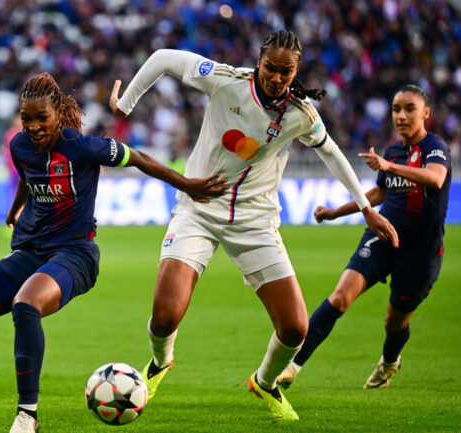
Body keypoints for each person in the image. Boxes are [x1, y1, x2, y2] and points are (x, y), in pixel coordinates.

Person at [109, 29, 399, 421]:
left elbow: (332, 154)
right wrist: (126, 105)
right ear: (258, 61)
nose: (276, 78)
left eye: (286, 71)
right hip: (198, 209)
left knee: (295, 329)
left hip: (255, 222)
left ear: (296, 71)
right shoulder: (224, 80)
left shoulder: (300, 114)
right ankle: (161, 363)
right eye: (270, 68)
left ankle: (264, 382)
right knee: (165, 316)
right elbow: (162, 57)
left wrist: (365, 207)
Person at [0, 72, 226, 433]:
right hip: (31, 252)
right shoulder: (19, 146)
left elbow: (139, 158)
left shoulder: (84, 147)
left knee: (27, 305)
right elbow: (28, 173)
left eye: (42, 118)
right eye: (27, 119)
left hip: (75, 255)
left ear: (58, 114)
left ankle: (27, 416)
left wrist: (187, 184)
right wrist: (15, 208)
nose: (34, 127)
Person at [277, 85, 451, 389]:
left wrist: (388, 166)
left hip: (420, 254)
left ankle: (388, 362)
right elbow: (378, 193)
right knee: (341, 297)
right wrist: (336, 212)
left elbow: (435, 178)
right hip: (382, 237)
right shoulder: (393, 152)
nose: (401, 115)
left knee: (394, 323)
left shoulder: (435, 149)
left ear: (426, 113)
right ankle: (292, 365)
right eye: (396, 109)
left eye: (409, 108)